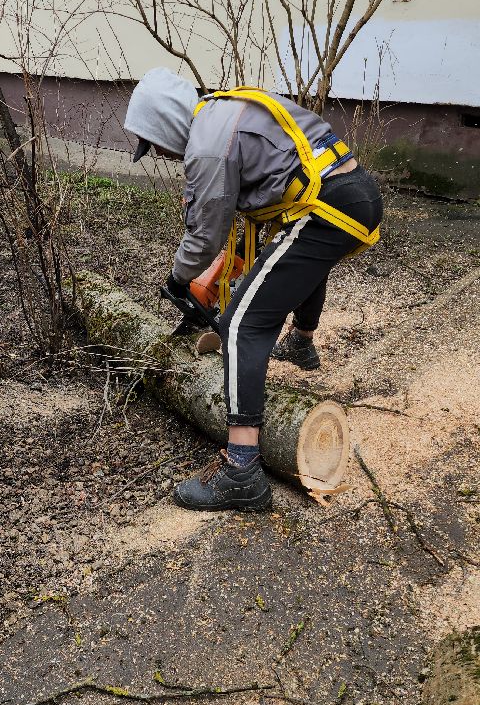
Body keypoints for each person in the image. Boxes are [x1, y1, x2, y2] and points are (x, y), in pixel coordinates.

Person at [124, 67, 383, 512]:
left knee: (241, 323)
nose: (162, 154)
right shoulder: (226, 109)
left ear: (165, 123)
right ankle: (302, 344)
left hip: (328, 205)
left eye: (157, 144)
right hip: (352, 194)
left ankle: (241, 469)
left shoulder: (207, 144)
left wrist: (178, 278)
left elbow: (206, 233)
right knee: (295, 263)